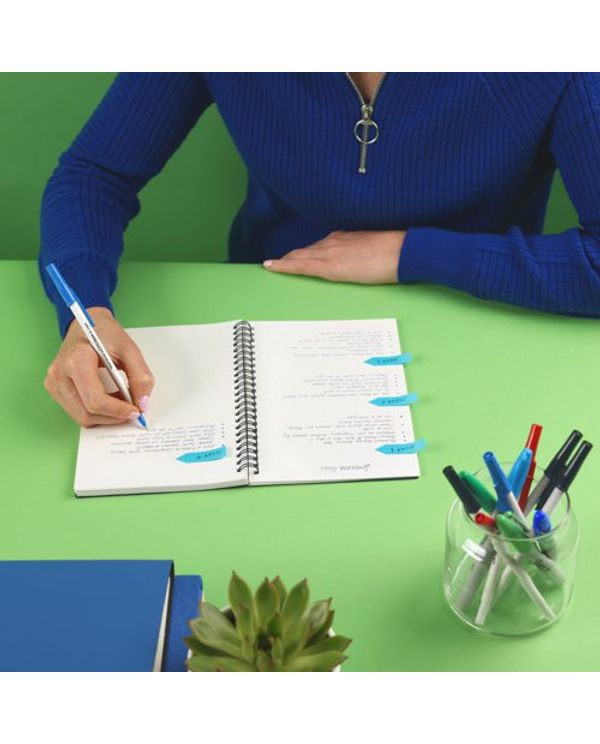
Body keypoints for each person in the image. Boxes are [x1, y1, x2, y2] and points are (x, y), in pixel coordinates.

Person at [39, 72, 600, 427]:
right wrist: (86, 314)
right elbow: (93, 175)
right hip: (266, 324)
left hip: (481, 337)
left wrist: (412, 252)